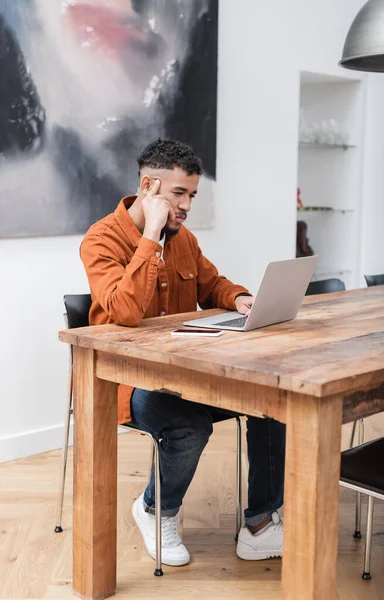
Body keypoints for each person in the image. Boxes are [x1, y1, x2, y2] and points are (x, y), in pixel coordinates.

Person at [80, 138, 286, 567]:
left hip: (188, 373)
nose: (186, 204)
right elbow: (125, 311)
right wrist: (151, 235)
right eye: (178, 193)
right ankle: (156, 510)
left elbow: (213, 284)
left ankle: (260, 524)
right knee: (189, 426)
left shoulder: (185, 239)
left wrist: (240, 298)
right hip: (129, 382)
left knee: (274, 405)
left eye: (192, 194)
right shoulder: (101, 240)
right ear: (148, 185)